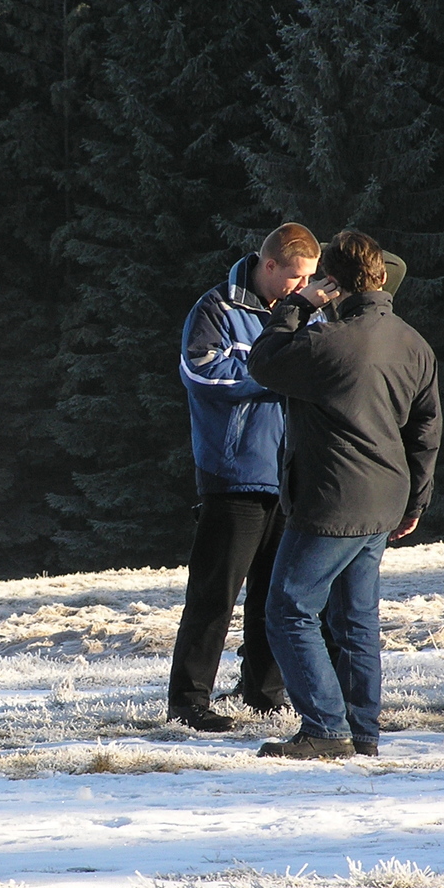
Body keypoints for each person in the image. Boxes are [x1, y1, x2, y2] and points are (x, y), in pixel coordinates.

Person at [248, 230, 440, 760]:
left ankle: (326, 728)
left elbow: (262, 362)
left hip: (331, 498)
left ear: (332, 281)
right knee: (356, 618)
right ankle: (362, 730)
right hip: (386, 496)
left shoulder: (325, 341)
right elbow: (426, 430)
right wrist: (416, 500)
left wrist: (296, 306)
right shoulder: (413, 343)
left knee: (288, 609)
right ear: (380, 275)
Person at [167, 223, 321, 732]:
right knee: (214, 595)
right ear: (268, 265)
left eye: (310, 277)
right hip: (234, 473)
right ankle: (188, 701)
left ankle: (263, 692)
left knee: (272, 597)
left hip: (290, 474)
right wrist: (274, 374)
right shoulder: (215, 308)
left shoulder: (306, 311)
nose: (303, 286)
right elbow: (201, 373)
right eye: (296, 276)